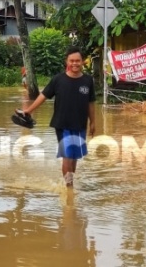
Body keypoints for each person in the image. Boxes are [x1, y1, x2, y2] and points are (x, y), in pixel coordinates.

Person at [22, 46, 96, 187]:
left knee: (74, 157)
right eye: (71, 61)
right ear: (66, 61)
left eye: (77, 61)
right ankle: (69, 188)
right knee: (67, 155)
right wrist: (29, 110)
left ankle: (70, 181)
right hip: (62, 124)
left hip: (80, 124)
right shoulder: (58, 80)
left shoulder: (88, 81)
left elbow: (91, 103)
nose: (74, 64)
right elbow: (43, 96)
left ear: (82, 62)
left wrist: (93, 122)